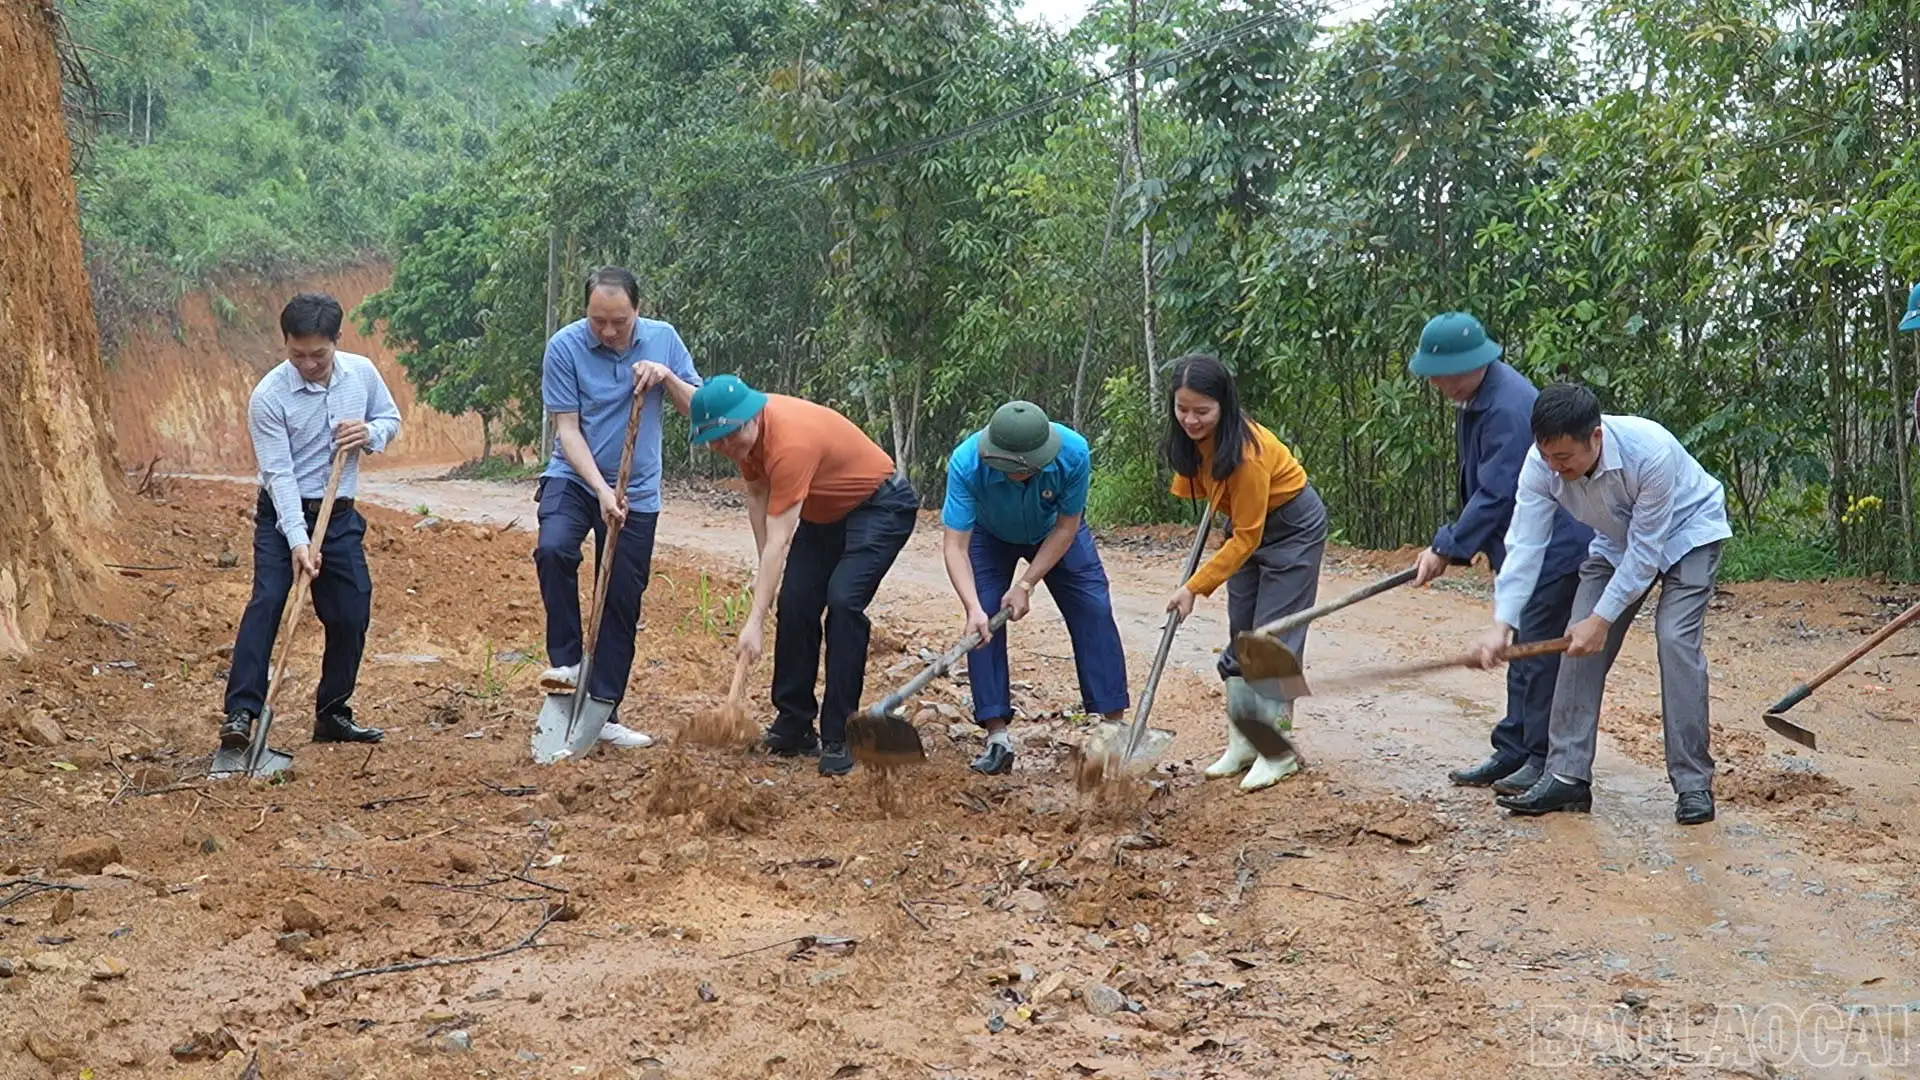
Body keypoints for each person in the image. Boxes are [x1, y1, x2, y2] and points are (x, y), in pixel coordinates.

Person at [1474, 382, 1731, 825]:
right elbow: (1526, 543)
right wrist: (1503, 622)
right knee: (1577, 643)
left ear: (1595, 437)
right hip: (1615, 544)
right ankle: (1567, 777)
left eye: (1564, 458)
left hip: (1689, 534)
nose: (1556, 468)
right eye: (1548, 456)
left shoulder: (1649, 452)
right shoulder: (1541, 464)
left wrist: (1602, 619)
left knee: (1674, 640)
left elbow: (1646, 553)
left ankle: (1693, 784)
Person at [688, 376, 918, 776]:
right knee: (794, 600)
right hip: (824, 513)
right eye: (715, 441)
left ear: (752, 417)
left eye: (730, 436)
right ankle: (794, 724)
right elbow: (757, 496)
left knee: (843, 602)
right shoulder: (744, 439)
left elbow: (781, 540)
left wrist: (754, 622)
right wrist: (766, 571)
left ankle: (840, 734)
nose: (725, 446)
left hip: (879, 506)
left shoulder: (790, 443)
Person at [1406, 313, 1592, 796]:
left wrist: (1447, 545)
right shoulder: (1476, 397)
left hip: (1552, 544)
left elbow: (1497, 491)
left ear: (1470, 365)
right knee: (1518, 647)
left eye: (1442, 375)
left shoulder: (1508, 406)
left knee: (1536, 657)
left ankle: (1540, 757)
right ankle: (1513, 748)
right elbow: (1481, 485)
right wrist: (1452, 545)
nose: (1437, 385)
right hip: (1520, 542)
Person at [218, 293, 402, 752]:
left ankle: (332, 712)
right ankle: (242, 713)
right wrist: (298, 541)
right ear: (286, 343)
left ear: (336, 340)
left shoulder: (362, 374)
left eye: (318, 354)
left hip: (339, 515)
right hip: (282, 516)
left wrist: (369, 432)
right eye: (297, 354)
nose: (308, 364)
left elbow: (390, 418)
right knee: (268, 601)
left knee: (351, 611)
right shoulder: (269, 396)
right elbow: (278, 474)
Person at [533, 266, 702, 749]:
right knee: (554, 549)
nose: (607, 331)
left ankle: (603, 709)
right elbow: (567, 430)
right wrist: (602, 491)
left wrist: (666, 376)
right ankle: (567, 664)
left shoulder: (663, 339)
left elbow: (698, 406)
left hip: (638, 491)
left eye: (619, 322)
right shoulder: (564, 347)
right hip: (574, 478)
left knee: (620, 599)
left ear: (638, 311)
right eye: (598, 321)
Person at [1162, 353, 1326, 792]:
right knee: (1241, 636)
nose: (1190, 420)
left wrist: (1194, 587)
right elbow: (1211, 498)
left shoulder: (1248, 454)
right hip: (1245, 523)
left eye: (1202, 411)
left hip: (1291, 527)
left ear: (1225, 405)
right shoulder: (1191, 439)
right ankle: (1244, 744)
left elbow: (1247, 538)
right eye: (1182, 409)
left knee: (1269, 639)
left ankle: (1277, 752)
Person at [940, 401, 1129, 775]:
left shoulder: (1074, 453)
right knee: (983, 622)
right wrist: (972, 606)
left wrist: (1026, 583)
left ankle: (1113, 728)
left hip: (1054, 532)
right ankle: (997, 736)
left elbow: (1067, 526)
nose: (1019, 474)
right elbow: (955, 546)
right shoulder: (966, 463)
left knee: (1093, 607)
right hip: (990, 536)